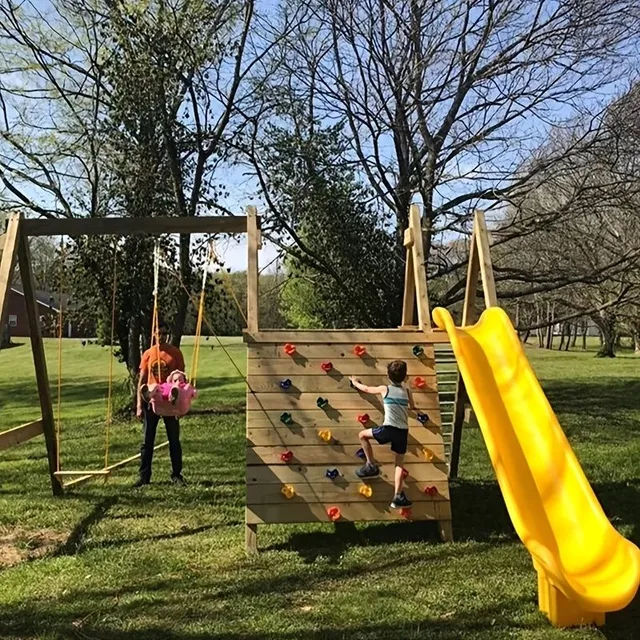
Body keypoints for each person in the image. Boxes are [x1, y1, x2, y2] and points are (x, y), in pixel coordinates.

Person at [350, 360, 414, 509]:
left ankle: (371, 465)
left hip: (389, 429)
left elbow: (366, 389)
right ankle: (397, 496)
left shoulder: (385, 389)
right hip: (402, 431)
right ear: (405, 376)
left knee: (362, 435)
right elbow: (412, 406)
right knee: (399, 464)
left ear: (388, 375)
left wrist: (354, 382)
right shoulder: (407, 391)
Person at [135, 320, 187, 487]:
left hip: (170, 403)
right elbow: (141, 380)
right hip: (152, 401)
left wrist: (181, 404)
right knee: (147, 440)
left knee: (174, 439)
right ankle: (144, 476)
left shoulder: (175, 354)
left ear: (168, 335)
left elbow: (182, 380)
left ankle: (177, 475)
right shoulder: (148, 354)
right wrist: (138, 405)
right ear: (154, 334)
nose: (162, 336)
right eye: (159, 333)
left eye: (165, 333)